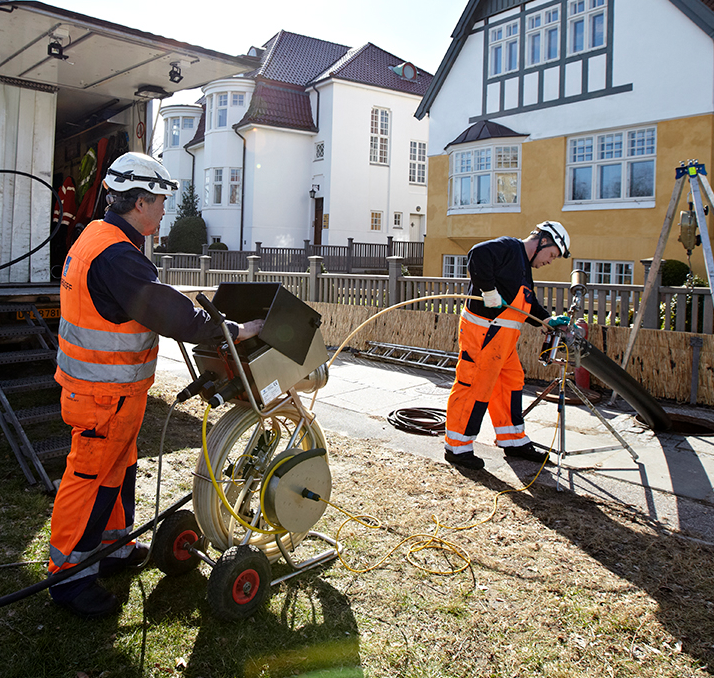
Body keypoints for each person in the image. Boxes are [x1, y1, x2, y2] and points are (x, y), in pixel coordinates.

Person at [48, 152, 264, 618]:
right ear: (140, 201)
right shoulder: (116, 254)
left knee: (117, 472)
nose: (165, 209)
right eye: (161, 200)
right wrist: (233, 331)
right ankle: (68, 578)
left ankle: (113, 548)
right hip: (100, 395)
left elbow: (150, 301)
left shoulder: (98, 237)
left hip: (110, 392)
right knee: (88, 480)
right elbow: (166, 311)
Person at [444, 221, 571, 471]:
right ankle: (457, 447)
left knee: (511, 381)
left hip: (503, 340)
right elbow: (477, 254)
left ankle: (512, 440)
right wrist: (488, 290)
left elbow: (526, 302)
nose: (550, 261)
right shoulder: (510, 248)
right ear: (543, 241)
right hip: (484, 333)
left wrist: (546, 319)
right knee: (474, 386)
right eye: (552, 255)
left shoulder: (524, 267)